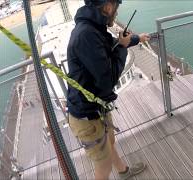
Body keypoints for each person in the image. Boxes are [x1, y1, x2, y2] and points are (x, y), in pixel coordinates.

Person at [66, 0, 150, 179]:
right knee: (103, 166)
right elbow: (109, 79)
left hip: (97, 108)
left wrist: (136, 38)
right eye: (116, 8)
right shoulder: (87, 35)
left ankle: (123, 172)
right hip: (87, 116)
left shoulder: (93, 28)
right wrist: (122, 47)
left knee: (110, 143)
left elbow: (115, 42)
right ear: (108, 6)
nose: (116, 14)